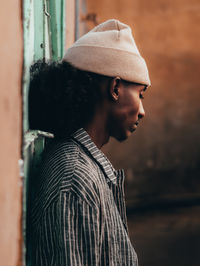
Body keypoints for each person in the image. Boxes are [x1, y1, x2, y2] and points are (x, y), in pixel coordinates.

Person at [27, 19, 151, 265]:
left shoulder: (81, 166)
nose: (142, 111)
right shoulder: (75, 181)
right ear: (115, 88)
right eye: (140, 94)